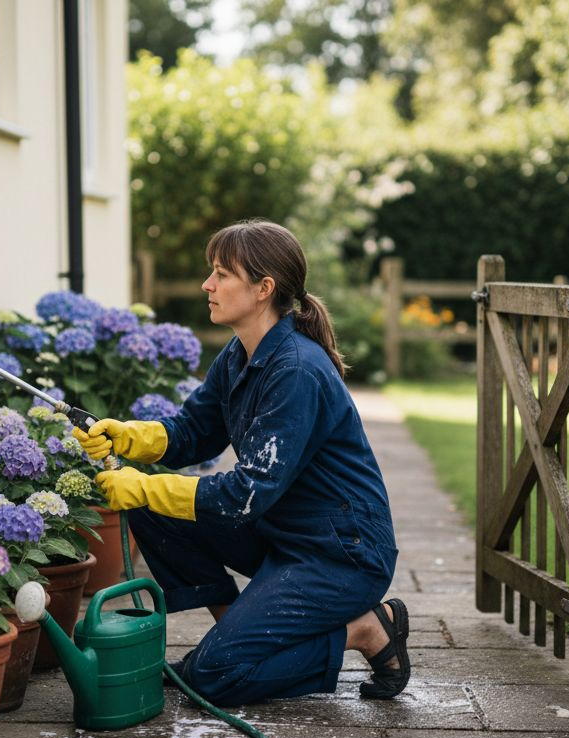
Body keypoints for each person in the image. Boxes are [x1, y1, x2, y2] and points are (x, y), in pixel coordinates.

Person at [73, 219, 409, 707]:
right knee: (153, 508)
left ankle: (364, 630)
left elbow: (242, 494)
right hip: (283, 534)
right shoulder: (240, 354)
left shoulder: (295, 370)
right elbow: (193, 430)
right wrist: (129, 436)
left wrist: (144, 486)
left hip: (341, 555)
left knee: (212, 679)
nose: (207, 285)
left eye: (221, 274)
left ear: (263, 289)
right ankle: (234, 633)